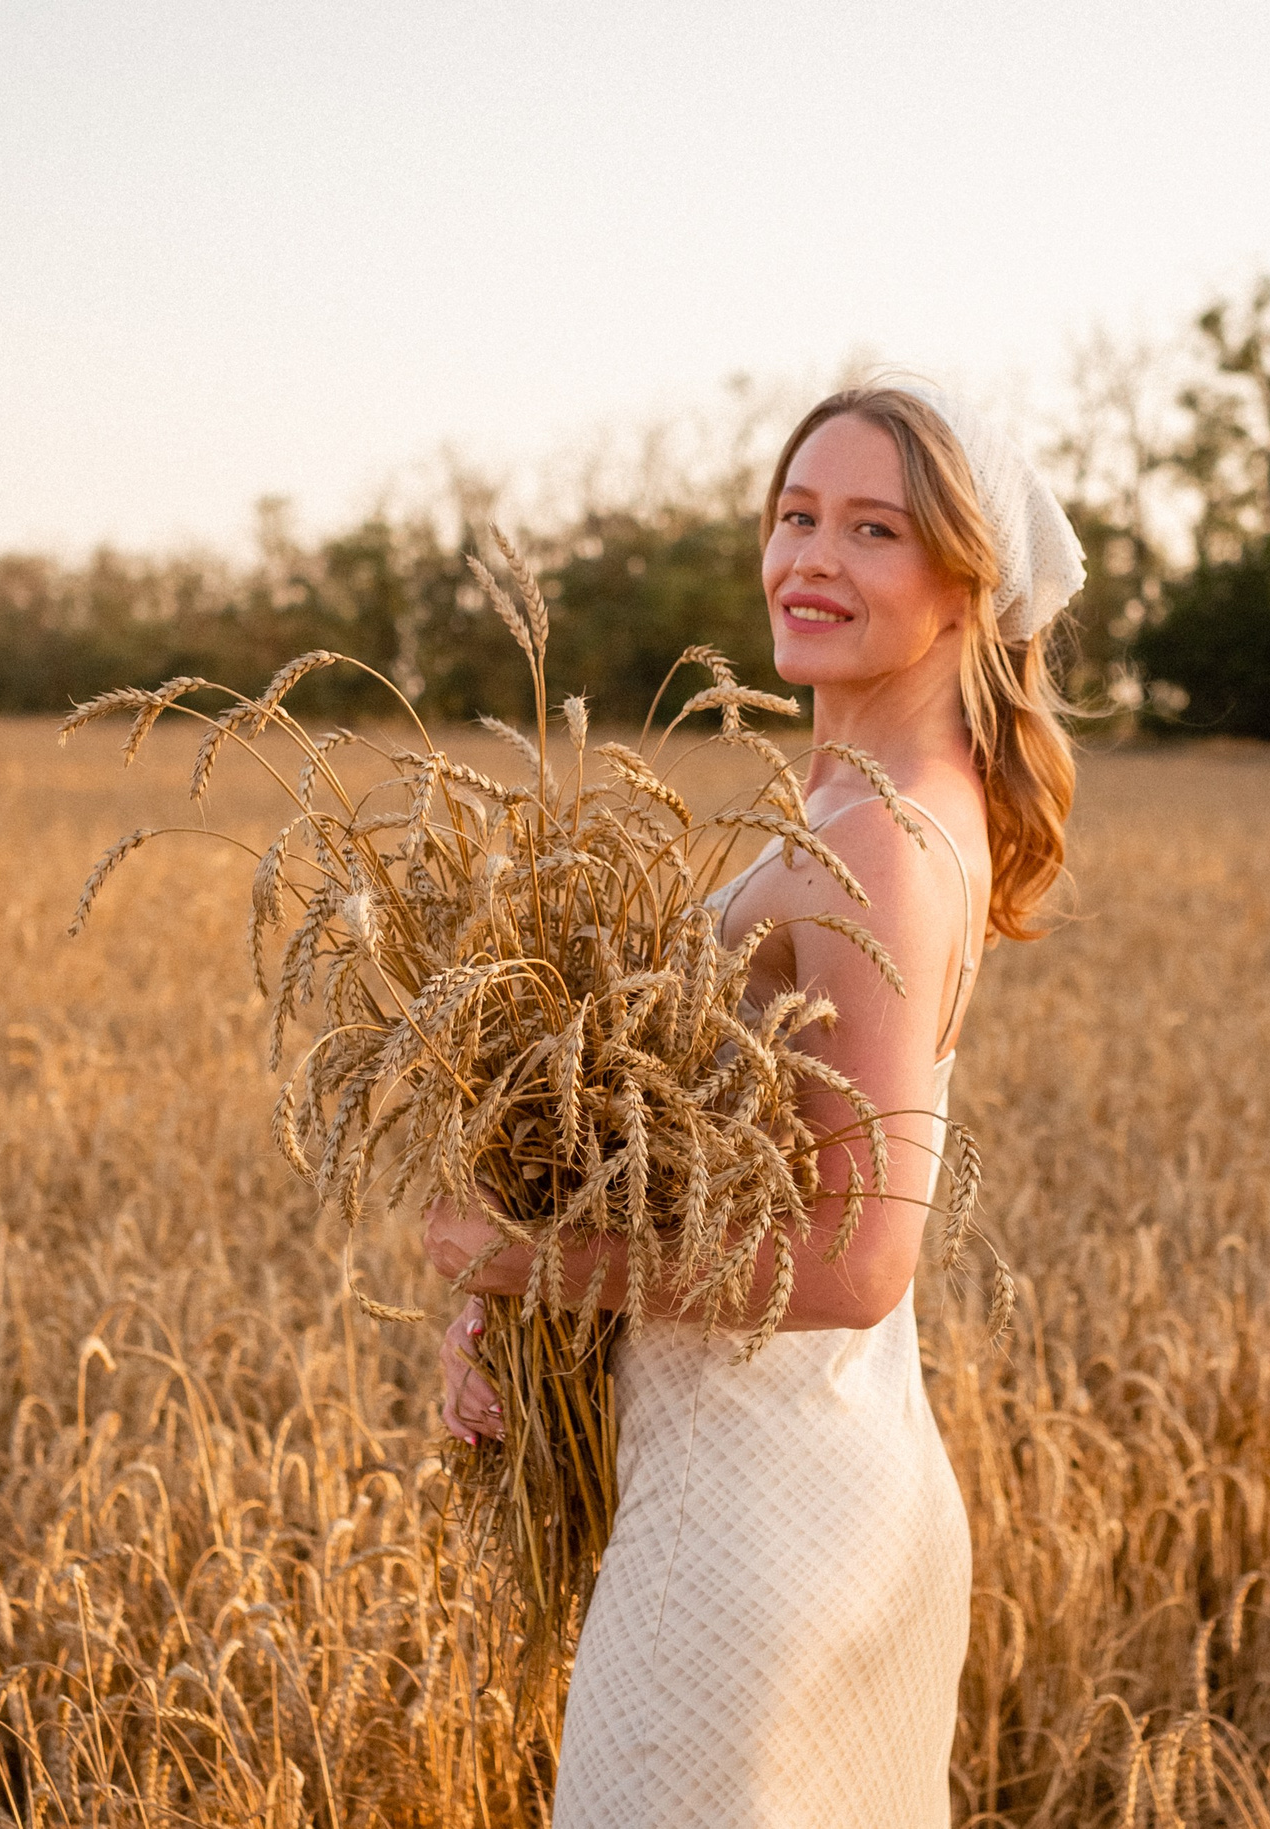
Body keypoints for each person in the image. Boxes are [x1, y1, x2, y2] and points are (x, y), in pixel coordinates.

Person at [421, 378, 1087, 1827]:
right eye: (796, 515)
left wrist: (527, 1259)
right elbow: (716, 1167)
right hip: (787, 1483)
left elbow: (856, 1261)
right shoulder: (862, 810)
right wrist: (531, 1319)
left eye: (874, 530)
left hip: (753, 1524)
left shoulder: (882, 840)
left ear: (967, 586)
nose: (811, 560)